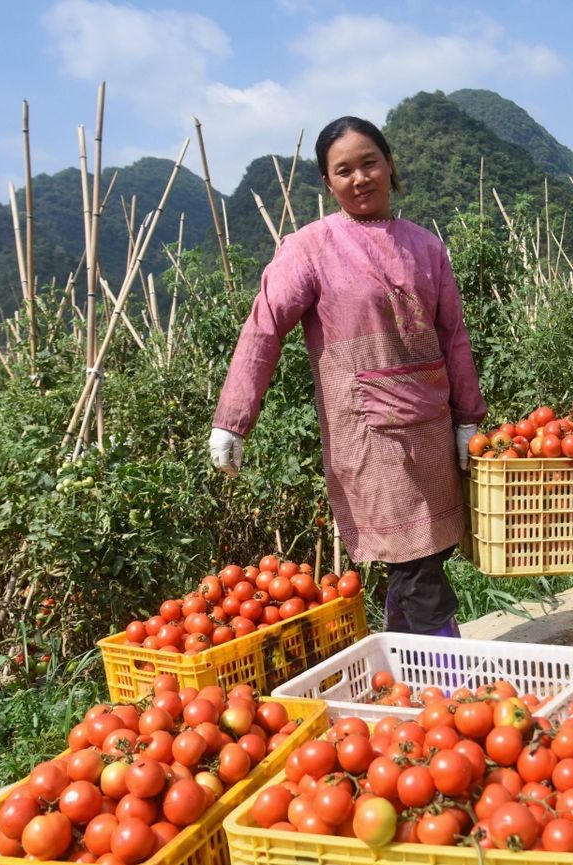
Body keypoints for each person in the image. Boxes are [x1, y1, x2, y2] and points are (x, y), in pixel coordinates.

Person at [208, 116, 487, 639]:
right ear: (328, 182)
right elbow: (264, 329)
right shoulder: (310, 249)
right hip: (369, 436)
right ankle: (452, 692)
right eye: (344, 170)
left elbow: (453, 338)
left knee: (424, 558)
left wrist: (467, 419)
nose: (360, 178)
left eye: (369, 163)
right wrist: (233, 420)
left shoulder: (427, 247)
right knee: (416, 565)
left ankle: (406, 671)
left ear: (390, 166)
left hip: (430, 426)